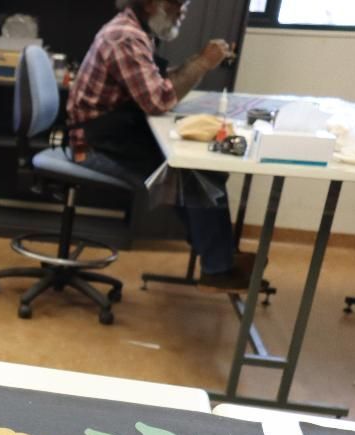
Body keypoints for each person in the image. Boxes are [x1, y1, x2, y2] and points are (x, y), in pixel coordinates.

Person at [68, 0, 247, 287]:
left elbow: (158, 83)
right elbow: (158, 100)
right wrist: (203, 62)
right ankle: (218, 266)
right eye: (176, 3)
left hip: (115, 134)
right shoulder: (124, 37)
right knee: (198, 177)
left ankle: (214, 254)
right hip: (92, 146)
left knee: (199, 174)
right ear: (151, 3)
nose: (182, 11)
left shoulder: (138, 32)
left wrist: (194, 63)